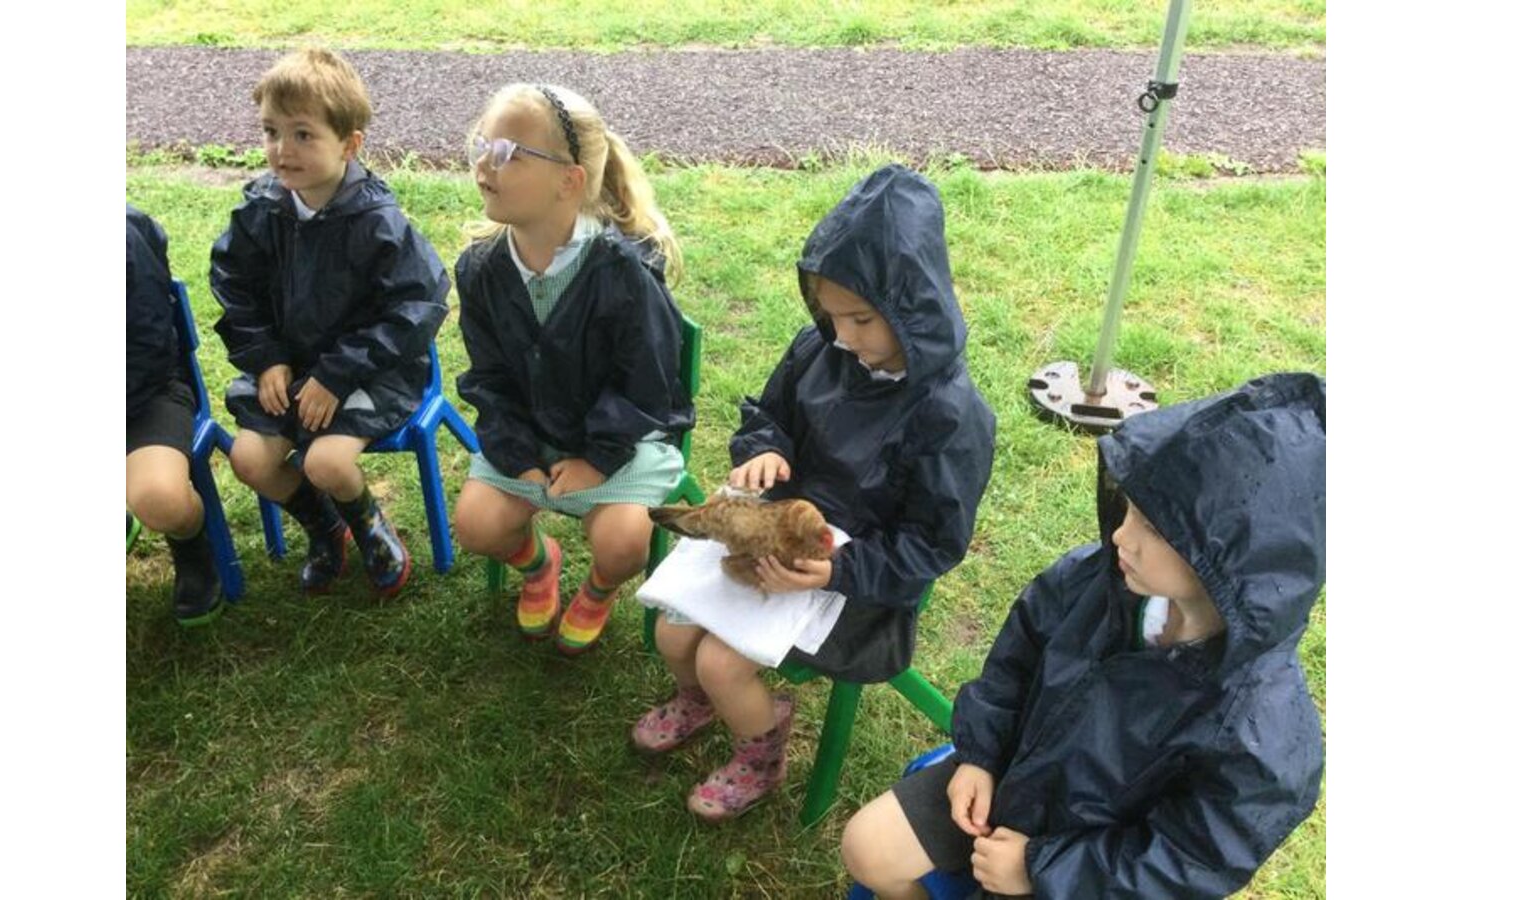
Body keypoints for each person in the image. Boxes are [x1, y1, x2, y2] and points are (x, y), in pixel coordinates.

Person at [841, 372, 1327, 899]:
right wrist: (981, 754)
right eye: (1129, 508)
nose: (1121, 535)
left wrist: (1040, 868)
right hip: (1005, 779)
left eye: (1155, 529)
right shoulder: (1099, 579)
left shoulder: (1262, 733)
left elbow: (1188, 861)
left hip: (1084, 875)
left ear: (1232, 560)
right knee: (867, 846)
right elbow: (1017, 657)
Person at [633, 164, 996, 822]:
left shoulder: (950, 415)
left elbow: (931, 545)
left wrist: (836, 570)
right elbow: (766, 414)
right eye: (831, 315)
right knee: (673, 630)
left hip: (857, 580)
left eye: (862, 319)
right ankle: (699, 703)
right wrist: (763, 449)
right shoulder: (820, 348)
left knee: (719, 661)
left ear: (914, 309)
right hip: (770, 533)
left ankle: (761, 746)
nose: (845, 336)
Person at [449, 82, 692, 655]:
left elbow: (647, 385)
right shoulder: (480, 269)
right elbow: (489, 378)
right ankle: (540, 565)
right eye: (482, 145)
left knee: (622, 541)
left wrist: (596, 459)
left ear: (570, 181)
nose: (484, 164)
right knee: (476, 524)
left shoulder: (624, 273)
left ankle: (600, 589)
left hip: (622, 442)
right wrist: (517, 454)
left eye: (508, 153)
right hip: (532, 438)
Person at [211, 47, 451, 598]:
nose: (282, 149)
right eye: (271, 131)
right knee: (249, 460)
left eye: (302, 134)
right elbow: (234, 285)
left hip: (369, 373)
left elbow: (416, 307)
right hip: (289, 370)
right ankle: (326, 527)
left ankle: (368, 524)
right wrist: (266, 358)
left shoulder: (377, 221)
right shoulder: (260, 210)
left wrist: (338, 374)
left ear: (349, 144)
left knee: (326, 463)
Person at [126, 204, 221, 626]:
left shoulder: (124, 239)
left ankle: (190, 543)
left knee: (160, 499)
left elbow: (148, 349)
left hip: (146, 395)